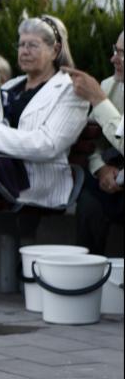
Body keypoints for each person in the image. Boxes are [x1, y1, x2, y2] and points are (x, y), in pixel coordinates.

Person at [0, 16, 90, 208]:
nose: (24, 51)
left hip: (33, 178)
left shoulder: (70, 90)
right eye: (21, 44)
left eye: (32, 45)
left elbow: (47, 145)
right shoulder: (12, 85)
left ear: (55, 50)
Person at [63, 33, 124, 255]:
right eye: (115, 50)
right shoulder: (109, 86)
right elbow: (94, 141)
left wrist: (99, 100)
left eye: (122, 54)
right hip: (114, 174)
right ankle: (87, 273)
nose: (113, 59)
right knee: (90, 199)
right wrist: (100, 168)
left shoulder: (102, 93)